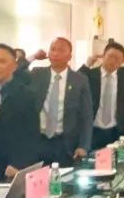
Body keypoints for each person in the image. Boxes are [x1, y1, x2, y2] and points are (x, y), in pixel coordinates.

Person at [0, 44, 41, 183]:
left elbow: (31, 134)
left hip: (8, 166)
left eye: (2, 61)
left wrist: (19, 164)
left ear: (14, 66)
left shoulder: (26, 95)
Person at [29, 37, 92, 166]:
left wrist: (83, 146)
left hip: (65, 144)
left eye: (61, 50)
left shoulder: (80, 80)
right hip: (38, 141)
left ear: (70, 56)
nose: (56, 53)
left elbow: (86, 116)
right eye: (52, 49)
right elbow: (15, 73)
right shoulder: (36, 74)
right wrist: (32, 57)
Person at [78, 42, 124, 149]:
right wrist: (87, 65)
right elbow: (75, 81)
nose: (112, 61)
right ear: (103, 56)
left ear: (123, 61)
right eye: (110, 56)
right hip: (92, 129)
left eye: (117, 59)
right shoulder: (90, 75)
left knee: (114, 158)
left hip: (115, 131)